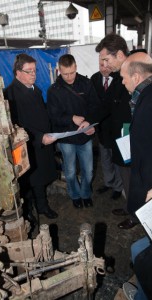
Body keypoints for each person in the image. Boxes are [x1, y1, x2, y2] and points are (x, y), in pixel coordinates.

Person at [4, 53, 58, 221]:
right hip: (27, 145)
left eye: (35, 70)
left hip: (42, 143)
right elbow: (17, 125)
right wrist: (40, 137)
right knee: (27, 181)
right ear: (17, 72)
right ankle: (26, 212)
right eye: (29, 71)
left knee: (40, 178)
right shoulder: (10, 94)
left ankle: (41, 206)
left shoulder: (34, 89)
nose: (34, 74)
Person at [47, 54, 100, 209]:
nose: (69, 77)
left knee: (88, 171)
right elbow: (53, 117)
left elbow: (95, 107)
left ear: (76, 67)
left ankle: (85, 194)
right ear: (58, 71)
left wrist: (89, 123)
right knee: (70, 172)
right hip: (66, 138)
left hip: (84, 136)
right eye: (65, 74)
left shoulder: (86, 83)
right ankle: (75, 195)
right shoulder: (53, 90)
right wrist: (72, 118)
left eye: (72, 72)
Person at [120, 52, 152, 299]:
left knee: (141, 253)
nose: (122, 82)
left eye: (124, 77)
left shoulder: (149, 101)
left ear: (137, 75)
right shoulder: (144, 96)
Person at [95, 33, 134, 229]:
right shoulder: (118, 77)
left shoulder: (134, 73)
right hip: (122, 139)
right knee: (126, 178)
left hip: (133, 140)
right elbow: (107, 105)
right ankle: (129, 207)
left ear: (119, 54)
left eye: (106, 59)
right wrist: (89, 122)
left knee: (136, 180)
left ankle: (136, 216)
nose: (104, 64)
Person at [91, 58, 123, 200]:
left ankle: (118, 187)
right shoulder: (94, 79)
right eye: (100, 65)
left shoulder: (120, 79)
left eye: (106, 65)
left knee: (117, 159)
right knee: (105, 158)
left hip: (116, 127)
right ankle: (108, 182)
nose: (104, 68)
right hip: (102, 128)